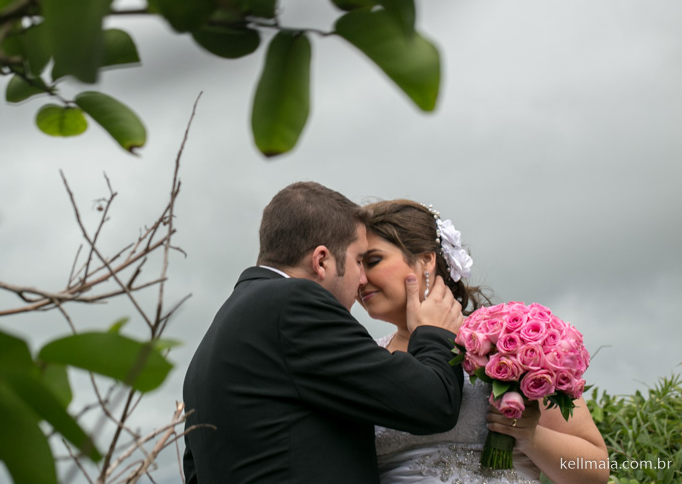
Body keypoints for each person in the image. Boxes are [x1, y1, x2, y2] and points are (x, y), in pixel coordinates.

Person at [182, 182, 466, 483]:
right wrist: (433, 331)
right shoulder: (294, 305)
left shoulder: (209, 349)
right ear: (321, 261)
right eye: (359, 261)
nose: (361, 279)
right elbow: (433, 403)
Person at [360, 199, 609, 484]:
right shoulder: (366, 357)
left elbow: (595, 471)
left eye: (373, 261)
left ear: (426, 260)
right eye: (356, 265)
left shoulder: (511, 338)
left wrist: (531, 437)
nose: (360, 278)